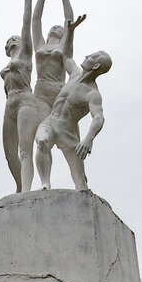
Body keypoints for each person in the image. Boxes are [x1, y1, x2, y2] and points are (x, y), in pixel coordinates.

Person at [34, 14, 109, 192]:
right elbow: (66, 56)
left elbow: (98, 117)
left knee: (81, 183)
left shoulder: (92, 93)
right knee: (42, 142)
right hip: (51, 122)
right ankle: (45, 184)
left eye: (93, 56)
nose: (88, 55)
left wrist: (88, 139)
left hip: (68, 131)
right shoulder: (75, 74)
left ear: (96, 66)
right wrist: (71, 32)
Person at [1, 0, 51, 193]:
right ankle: (20, 184)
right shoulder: (6, 64)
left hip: (25, 101)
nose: (13, 40)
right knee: (9, 153)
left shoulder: (24, 56)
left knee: (24, 149)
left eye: (16, 39)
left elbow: (26, 26)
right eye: (9, 39)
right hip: (9, 105)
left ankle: (26, 191)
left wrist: (28, 1)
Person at [30, 0, 76, 108]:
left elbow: (68, 20)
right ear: (48, 35)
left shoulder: (63, 46)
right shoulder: (40, 45)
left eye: (59, 28)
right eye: (53, 27)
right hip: (41, 92)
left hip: (58, 90)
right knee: (41, 124)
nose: (55, 27)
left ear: (63, 34)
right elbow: (36, 21)